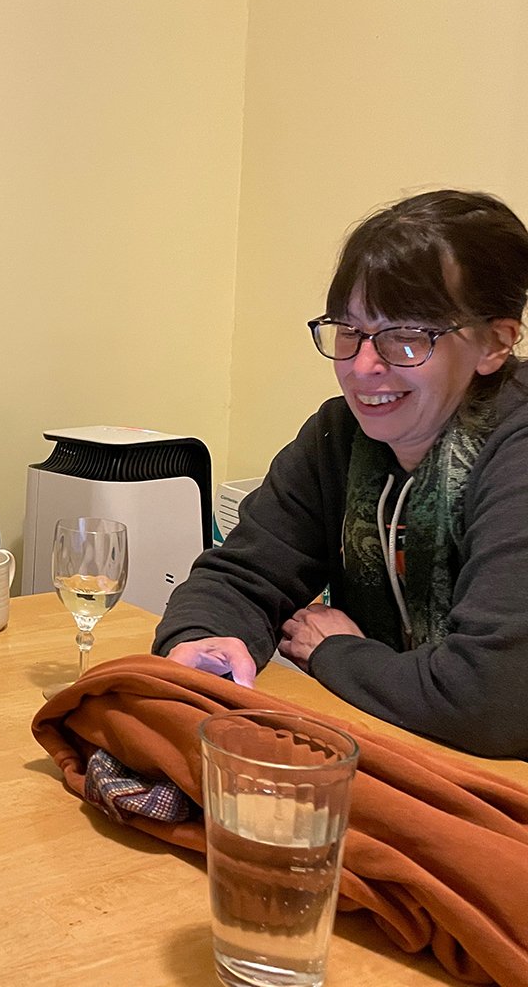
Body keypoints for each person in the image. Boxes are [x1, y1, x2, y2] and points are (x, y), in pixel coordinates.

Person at [154, 189, 528, 757]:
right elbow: (241, 576)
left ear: (496, 344)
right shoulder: (341, 436)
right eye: (350, 331)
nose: (362, 367)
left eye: (408, 337)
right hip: (399, 748)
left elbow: (492, 700)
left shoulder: (516, 453)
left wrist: (336, 654)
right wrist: (201, 640)